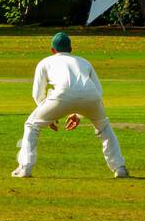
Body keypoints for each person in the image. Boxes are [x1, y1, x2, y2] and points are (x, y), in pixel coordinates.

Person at [13, 32, 127, 179]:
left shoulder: (45, 62)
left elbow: (37, 94)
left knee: (32, 125)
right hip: (91, 96)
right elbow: (99, 91)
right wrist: (80, 113)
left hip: (61, 96)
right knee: (104, 128)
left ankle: (25, 168)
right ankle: (120, 168)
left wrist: (49, 117)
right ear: (71, 48)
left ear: (52, 50)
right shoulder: (84, 62)